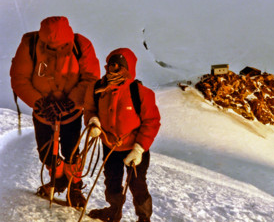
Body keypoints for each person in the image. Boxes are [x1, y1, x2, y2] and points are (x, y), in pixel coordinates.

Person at [10, 16, 100, 207]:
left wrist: (71, 103)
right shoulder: (30, 44)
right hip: (43, 113)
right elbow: (19, 78)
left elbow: (90, 78)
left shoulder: (81, 45)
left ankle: (74, 188)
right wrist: (39, 103)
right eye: (50, 47)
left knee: (72, 152)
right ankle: (58, 180)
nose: (56, 50)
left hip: (71, 112)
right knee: (46, 152)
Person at [84, 48, 161, 222]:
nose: (115, 68)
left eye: (120, 65)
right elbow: (89, 110)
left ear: (129, 67)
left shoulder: (141, 92)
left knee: (137, 183)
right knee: (112, 180)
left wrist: (139, 149)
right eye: (112, 64)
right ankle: (114, 211)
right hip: (109, 144)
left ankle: (144, 218)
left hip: (134, 147)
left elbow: (152, 121)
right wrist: (93, 122)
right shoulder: (97, 88)